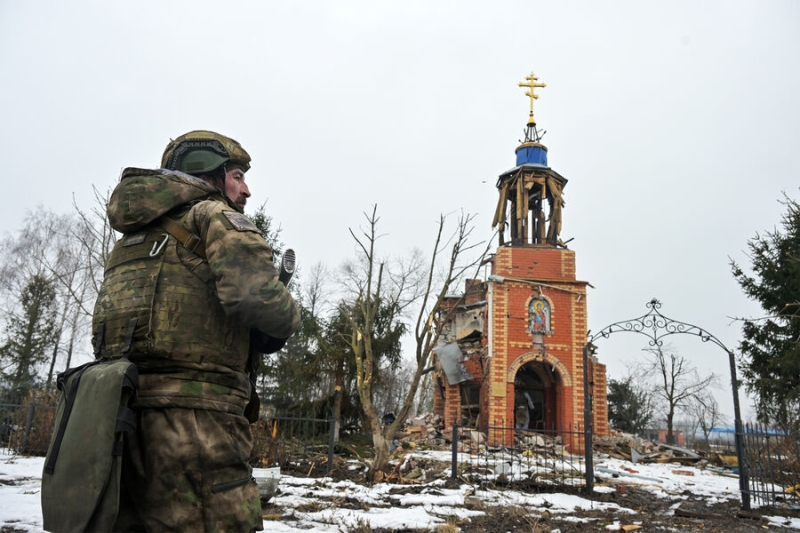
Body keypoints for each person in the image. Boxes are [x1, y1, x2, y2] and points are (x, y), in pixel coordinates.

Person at [91, 130, 301, 532]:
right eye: (237, 175)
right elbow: (257, 298)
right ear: (207, 172)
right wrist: (287, 314)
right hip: (197, 426)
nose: (246, 189)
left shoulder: (133, 238)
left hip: (118, 417)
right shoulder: (213, 216)